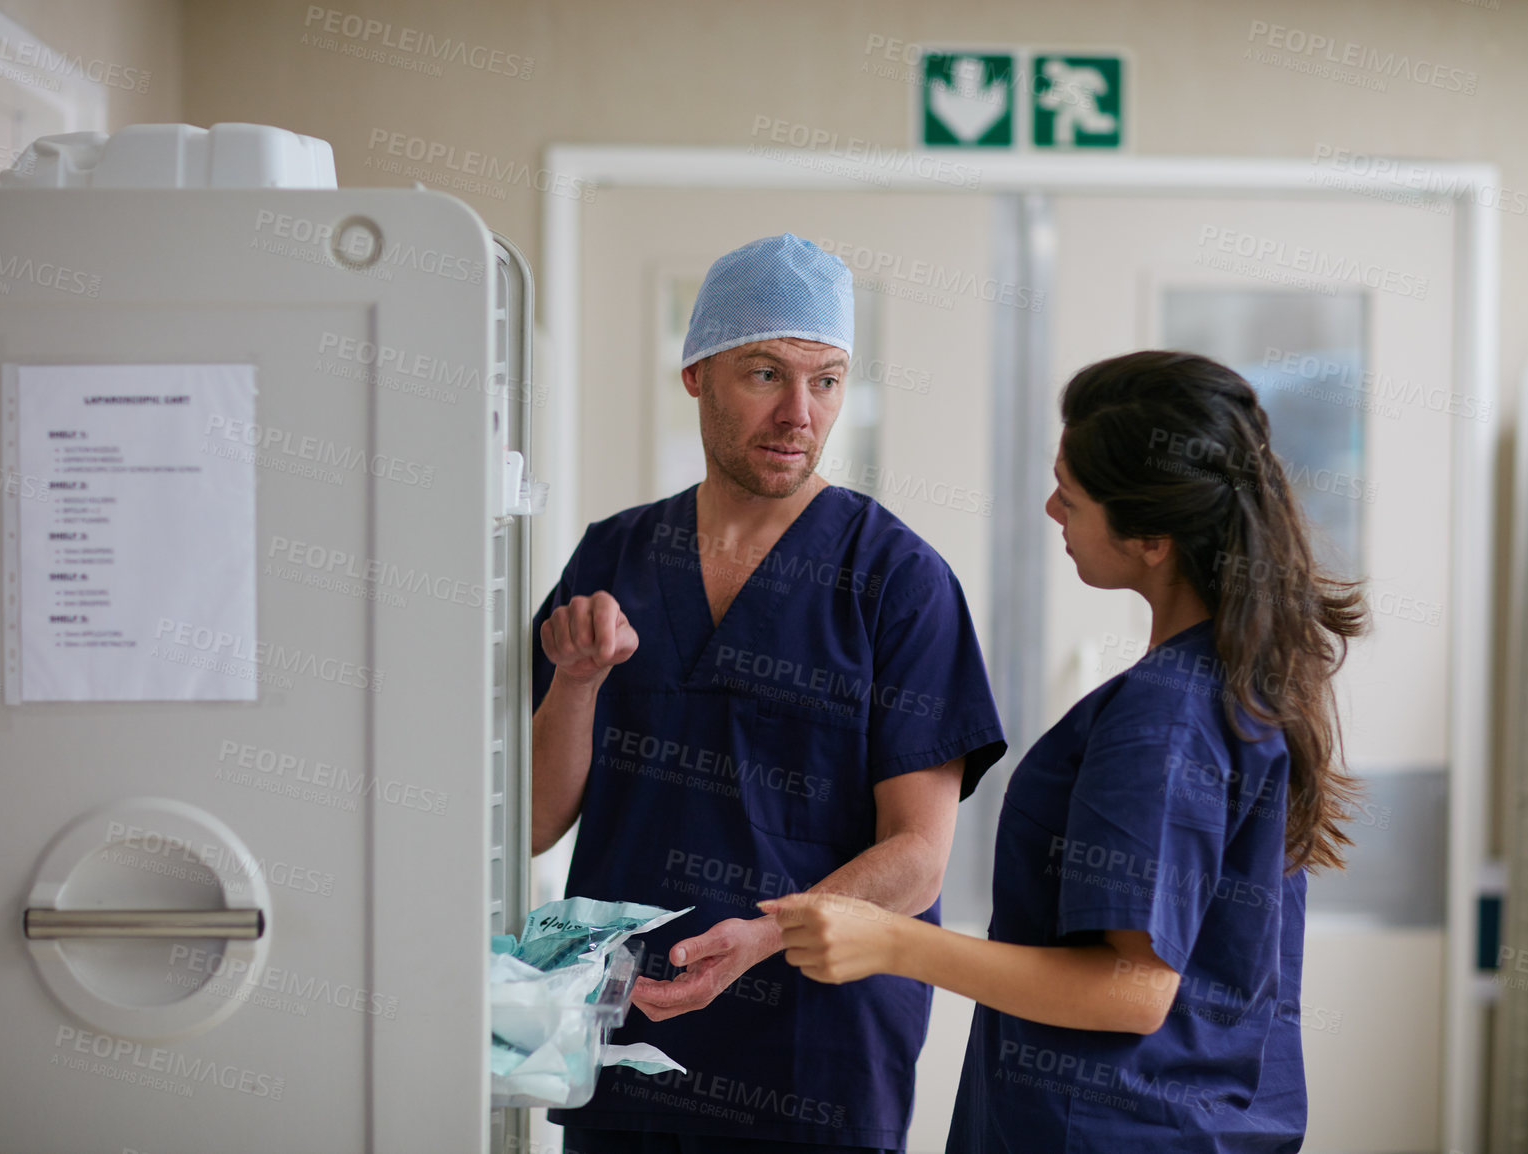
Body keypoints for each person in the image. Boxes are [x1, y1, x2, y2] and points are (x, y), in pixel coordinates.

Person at [766, 351, 1366, 1153]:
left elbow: (1136, 991)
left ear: (1152, 535)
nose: (1052, 509)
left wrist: (892, 942)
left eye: (1072, 495)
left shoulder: (1161, 720)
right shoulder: (1238, 684)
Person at [531, 233, 1007, 1154]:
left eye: (826, 380)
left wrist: (760, 936)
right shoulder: (614, 558)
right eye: (764, 374)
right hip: (636, 1027)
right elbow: (542, 821)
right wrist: (579, 682)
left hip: (817, 1049)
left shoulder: (897, 581)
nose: (800, 412)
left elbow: (918, 858)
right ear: (697, 375)